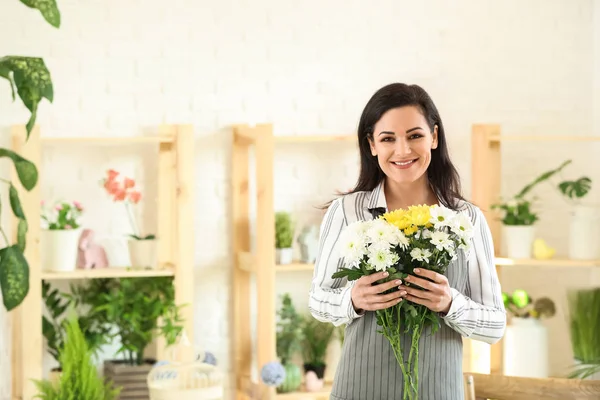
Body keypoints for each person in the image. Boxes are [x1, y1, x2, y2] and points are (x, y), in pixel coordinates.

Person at [308, 83, 506, 400]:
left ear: (434, 137)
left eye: (415, 135)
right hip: (360, 389)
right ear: (372, 145)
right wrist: (353, 300)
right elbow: (318, 300)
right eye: (388, 139)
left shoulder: (466, 218)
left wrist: (450, 303)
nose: (403, 150)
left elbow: (495, 325)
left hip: (437, 390)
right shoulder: (347, 211)